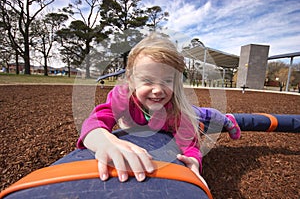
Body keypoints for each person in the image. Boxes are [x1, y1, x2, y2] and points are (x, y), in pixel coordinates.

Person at [77, 33, 240, 184]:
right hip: (152, 120)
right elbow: (96, 119)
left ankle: (227, 119)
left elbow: (189, 144)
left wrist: (194, 162)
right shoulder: (123, 96)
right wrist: (102, 141)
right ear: (131, 79)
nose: (157, 90)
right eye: (148, 80)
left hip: (188, 112)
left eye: (166, 81)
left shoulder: (176, 110)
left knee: (204, 114)